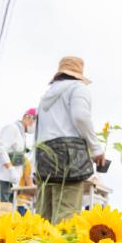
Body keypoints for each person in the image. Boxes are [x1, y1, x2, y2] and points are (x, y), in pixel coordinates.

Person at [35, 56, 106, 224]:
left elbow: (39, 131)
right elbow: (81, 116)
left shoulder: (46, 96)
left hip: (44, 155)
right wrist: (96, 148)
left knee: (43, 214)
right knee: (66, 214)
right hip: (69, 155)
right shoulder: (78, 88)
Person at [0, 108, 37, 203]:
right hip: (0, 180)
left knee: (6, 216)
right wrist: (11, 169)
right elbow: (0, 149)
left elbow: (16, 157)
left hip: (10, 184)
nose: (34, 126)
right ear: (27, 117)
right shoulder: (11, 128)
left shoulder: (22, 136)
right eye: (35, 121)